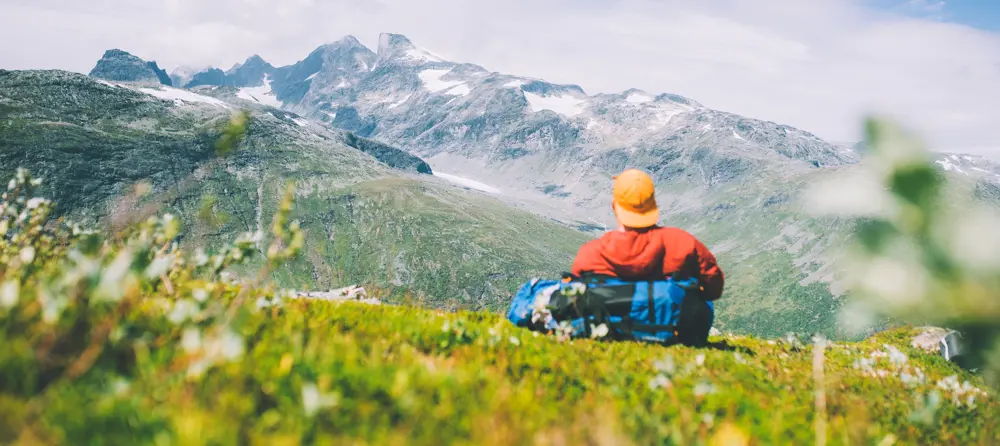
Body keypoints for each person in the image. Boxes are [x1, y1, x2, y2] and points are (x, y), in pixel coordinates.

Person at [570, 168, 724, 346]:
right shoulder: (683, 242)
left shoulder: (590, 253)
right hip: (679, 333)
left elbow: (577, 296)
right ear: (653, 204)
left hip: (609, 331)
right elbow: (714, 288)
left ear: (614, 206)